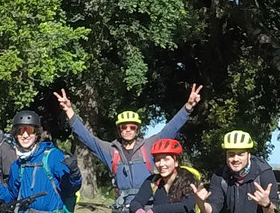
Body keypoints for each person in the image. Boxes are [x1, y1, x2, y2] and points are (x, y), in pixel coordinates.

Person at [55, 84, 202, 202]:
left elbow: (171, 129)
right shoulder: (111, 150)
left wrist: (188, 107)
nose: (128, 130)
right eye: (124, 127)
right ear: (119, 130)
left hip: (148, 204)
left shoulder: (149, 145)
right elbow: (87, 138)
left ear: (137, 130)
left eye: (132, 127)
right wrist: (69, 111)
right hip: (122, 205)